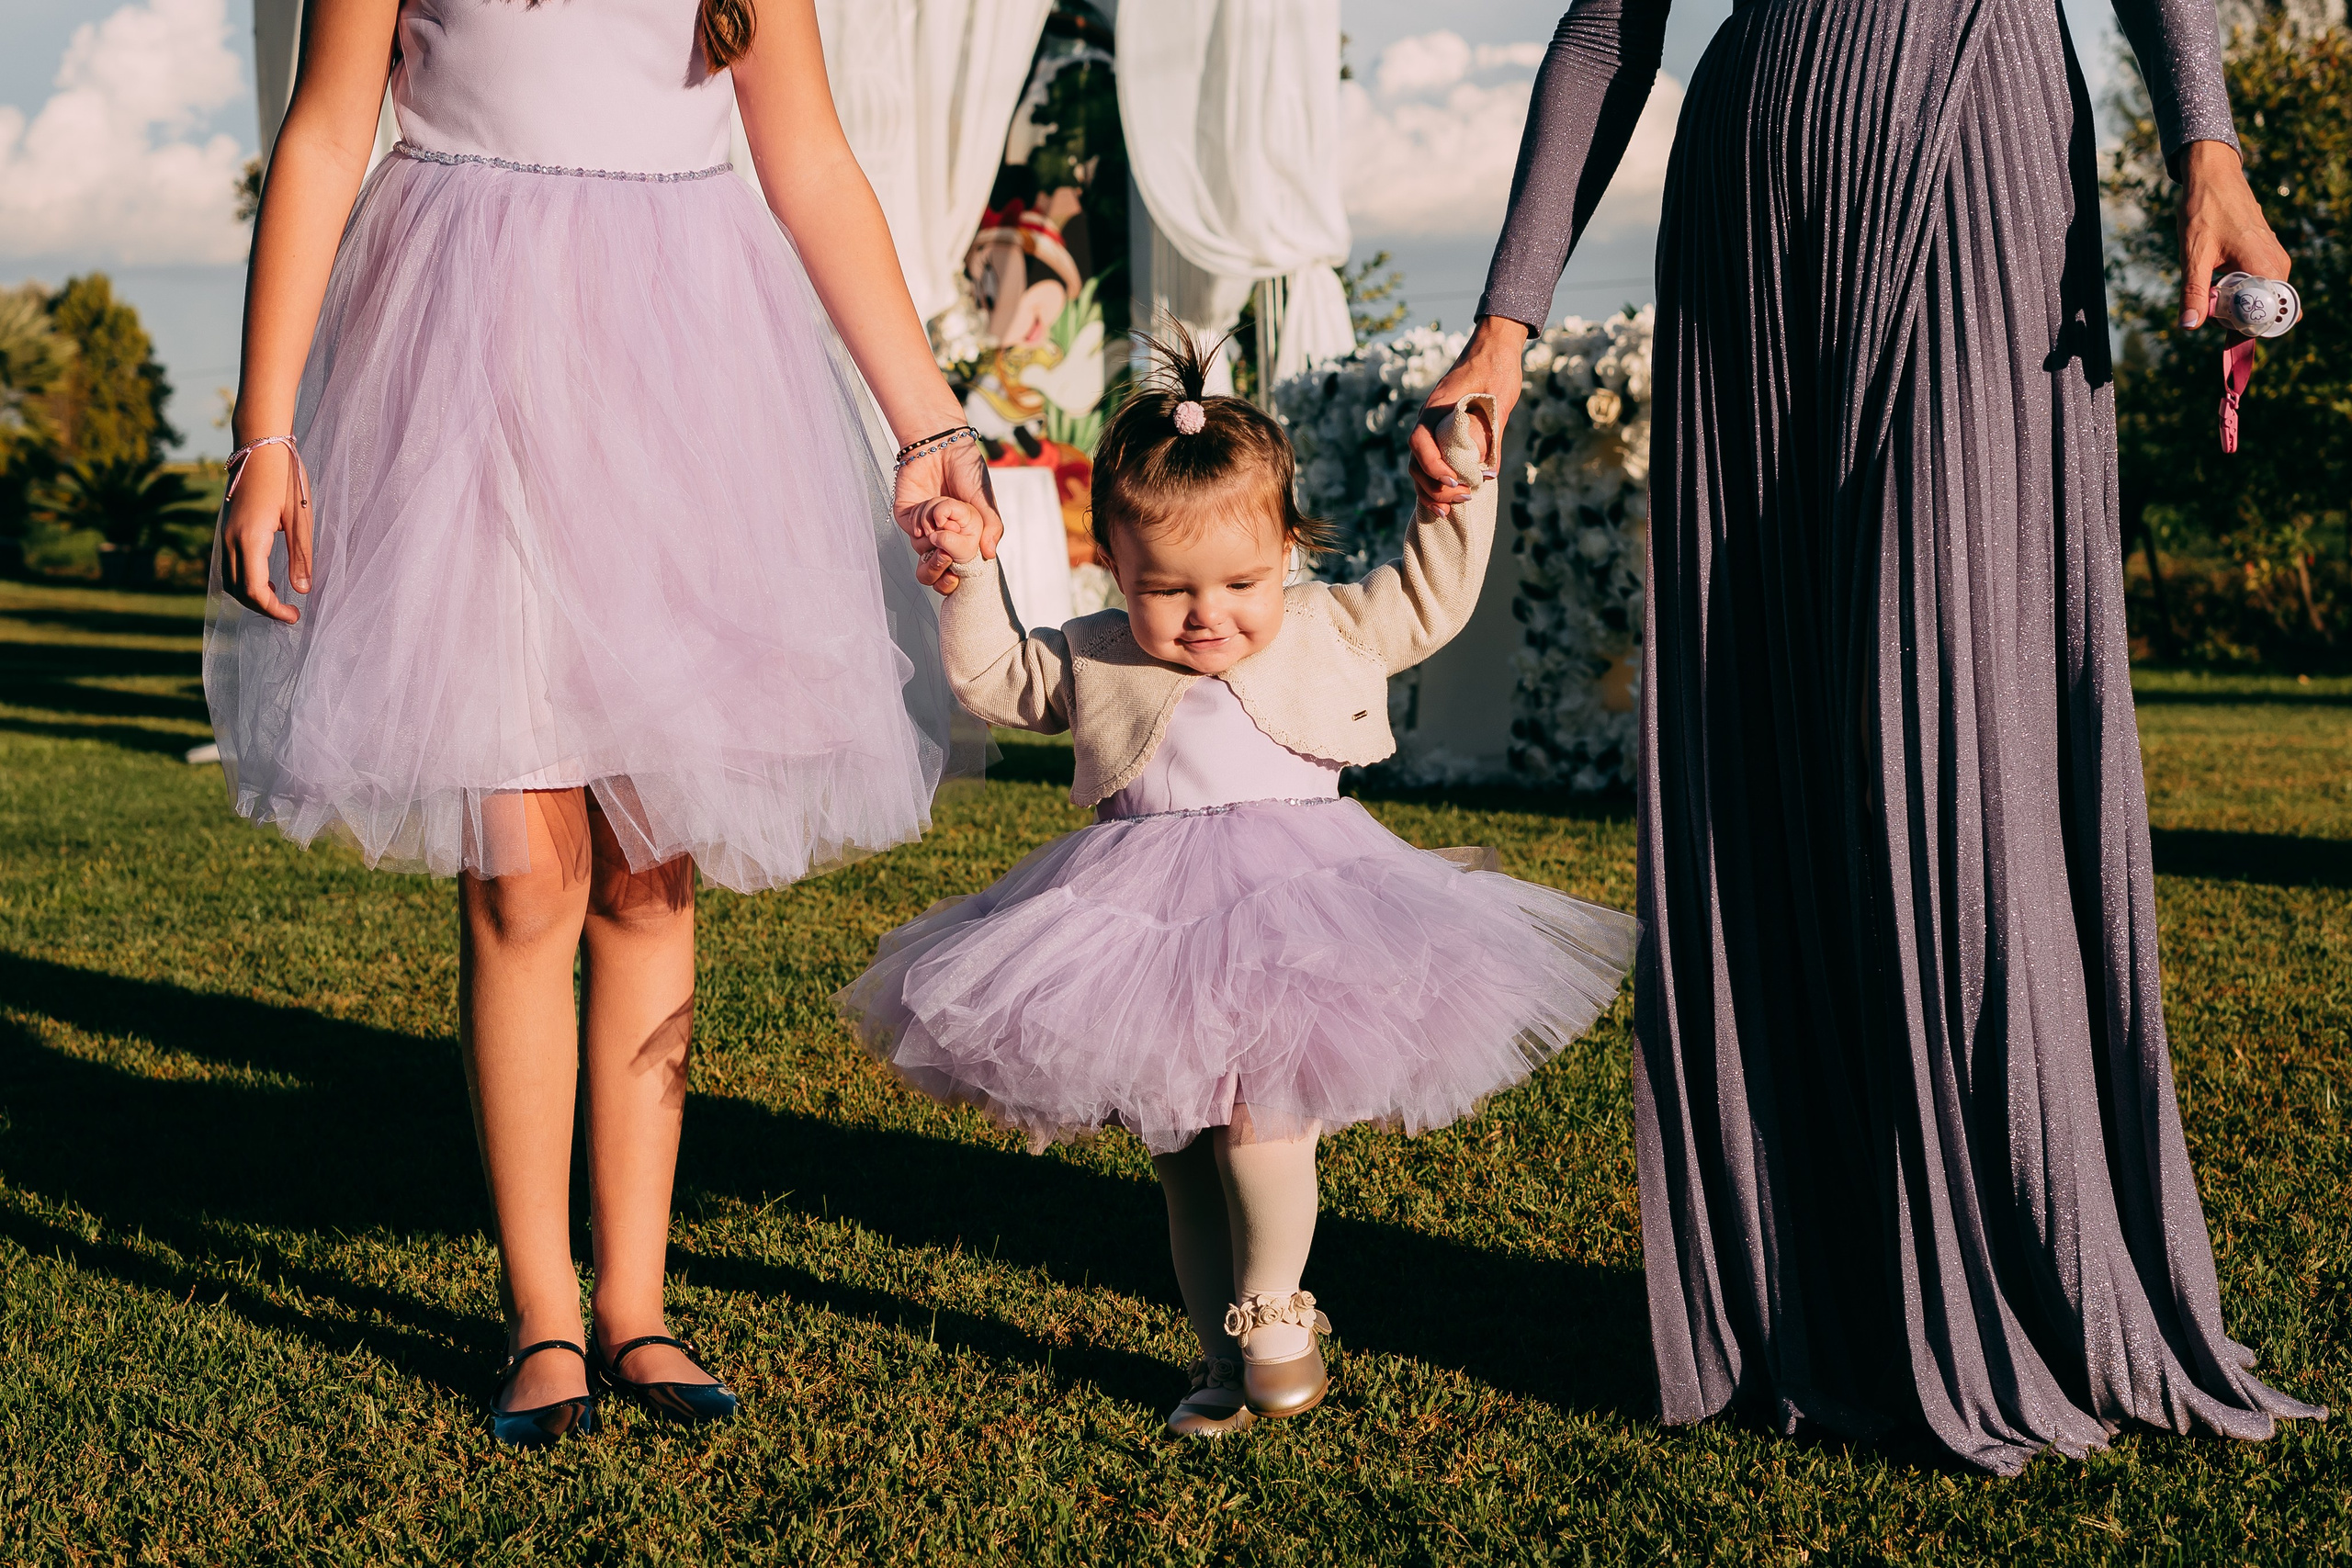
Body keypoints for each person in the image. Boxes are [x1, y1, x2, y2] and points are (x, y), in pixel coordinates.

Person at [1408, 0, 2325, 1472]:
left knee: (1956, 707)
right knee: (1774, 716)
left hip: (1985, 145)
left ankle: (2024, 1254)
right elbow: (1604, 28)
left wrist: (2207, 144)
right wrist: (1503, 327)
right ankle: (1812, 1283)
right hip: (1758, 193)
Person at [209, 0, 1001, 1446]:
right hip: (467, 384)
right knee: (522, 876)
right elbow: (324, 136)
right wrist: (268, 431)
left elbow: (809, 159)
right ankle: (543, 1313)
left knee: (647, 870)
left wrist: (928, 423)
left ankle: (636, 1299)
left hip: (689, 392)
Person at [839, 331, 1641, 1439]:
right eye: (1167, 588)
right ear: (1114, 572)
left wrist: (1459, 493)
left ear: (1289, 552)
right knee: (1179, 1151)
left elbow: (1427, 601)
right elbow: (994, 678)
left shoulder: (1325, 625)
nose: (1208, 614)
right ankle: (1220, 1357)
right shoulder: (1103, 649)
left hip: (1298, 908)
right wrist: (969, 572)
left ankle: (1276, 1315)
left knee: (1266, 1113)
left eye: (1242, 583)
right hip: (1147, 922)